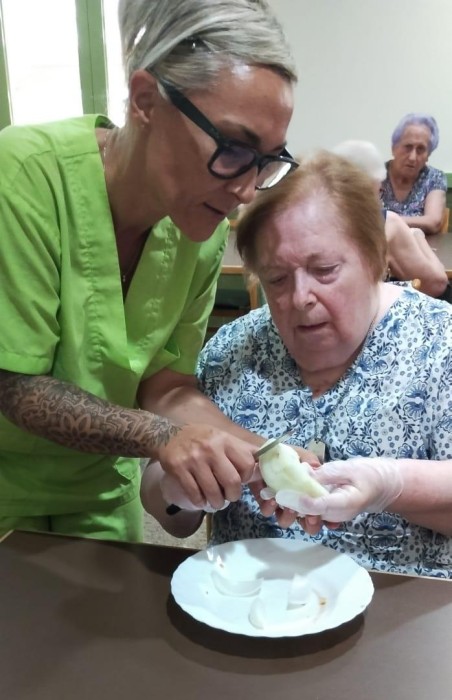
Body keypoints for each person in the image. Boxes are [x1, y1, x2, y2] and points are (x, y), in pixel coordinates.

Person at [0, 0, 301, 541]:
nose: (246, 191)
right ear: (145, 101)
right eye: (234, 149)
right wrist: (160, 436)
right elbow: (14, 386)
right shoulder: (23, 177)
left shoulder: (199, 233)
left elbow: (166, 384)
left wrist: (263, 455)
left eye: (266, 162)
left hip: (96, 488)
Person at [142, 152, 452, 578]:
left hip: (400, 610)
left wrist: (389, 485)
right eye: (277, 278)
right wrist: (179, 491)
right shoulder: (231, 351)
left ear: (375, 259)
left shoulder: (439, 345)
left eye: (324, 270)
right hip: (248, 603)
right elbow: (167, 509)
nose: (300, 297)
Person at [333, 139, 449, 298]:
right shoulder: (385, 224)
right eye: (379, 190)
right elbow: (437, 284)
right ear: (368, 186)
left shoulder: (317, 219)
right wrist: (417, 236)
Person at [380, 113, 447, 235]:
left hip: (420, 244)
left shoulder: (434, 178)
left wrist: (387, 219)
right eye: (408, 147)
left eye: (421, 149)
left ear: (428, 155)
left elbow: (433, 222)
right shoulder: (377, 175)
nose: (412, 157)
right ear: (394, 148)